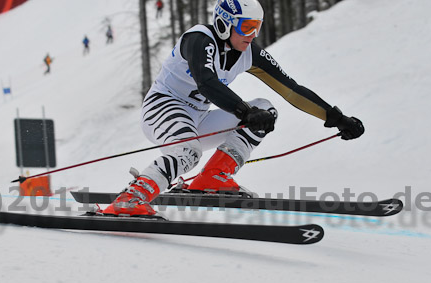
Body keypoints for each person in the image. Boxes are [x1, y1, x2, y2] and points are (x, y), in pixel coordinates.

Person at [102, 0, 364, 217]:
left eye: (257, 28)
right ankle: (130, 199)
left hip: (198, 118)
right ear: (224, 23)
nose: (252, 35)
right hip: (162, 108)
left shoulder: (249, 52)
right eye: (247, 27)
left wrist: (337, 118)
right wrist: (243, 111)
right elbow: (207, 82)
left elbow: (291, 89)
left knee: (265, 108)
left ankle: (213, 177)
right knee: (188, 152)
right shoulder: (199, 39)